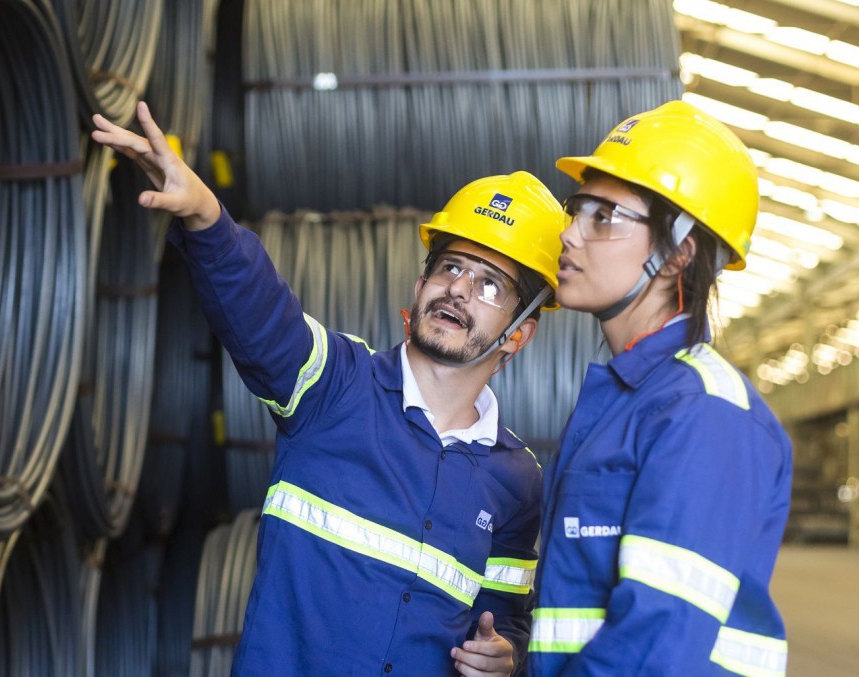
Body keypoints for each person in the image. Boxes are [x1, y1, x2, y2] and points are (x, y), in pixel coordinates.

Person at [93, 102, 567, 676]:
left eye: (491, 285)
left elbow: (505, 612)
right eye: (451, 267)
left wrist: (506, 658)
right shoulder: (335, 385)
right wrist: (206, 218)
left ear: (520, 336)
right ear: (420, 286)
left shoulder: (517, 481)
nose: (460, 289)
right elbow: (262, 315)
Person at [527, 100, 793, 676]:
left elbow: (656, 646)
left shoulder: (704, 414)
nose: (569, 235)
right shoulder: (626, 400)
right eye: (578, 209)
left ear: (678, 254)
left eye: (604, 217)